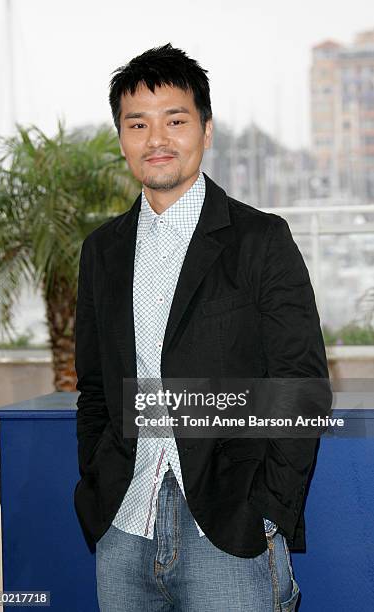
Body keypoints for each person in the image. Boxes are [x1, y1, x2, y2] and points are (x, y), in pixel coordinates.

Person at [74, 43, 332, 611]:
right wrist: (96, 490)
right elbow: (93, 387)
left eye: (175, 120)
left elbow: (301, 386)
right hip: (124, 525)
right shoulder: (103, 252)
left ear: (206, 131)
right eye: (137, 123)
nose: (156, 139)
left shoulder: (260, 241)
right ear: (121, 137)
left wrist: (267, 512)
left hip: (228, 533)